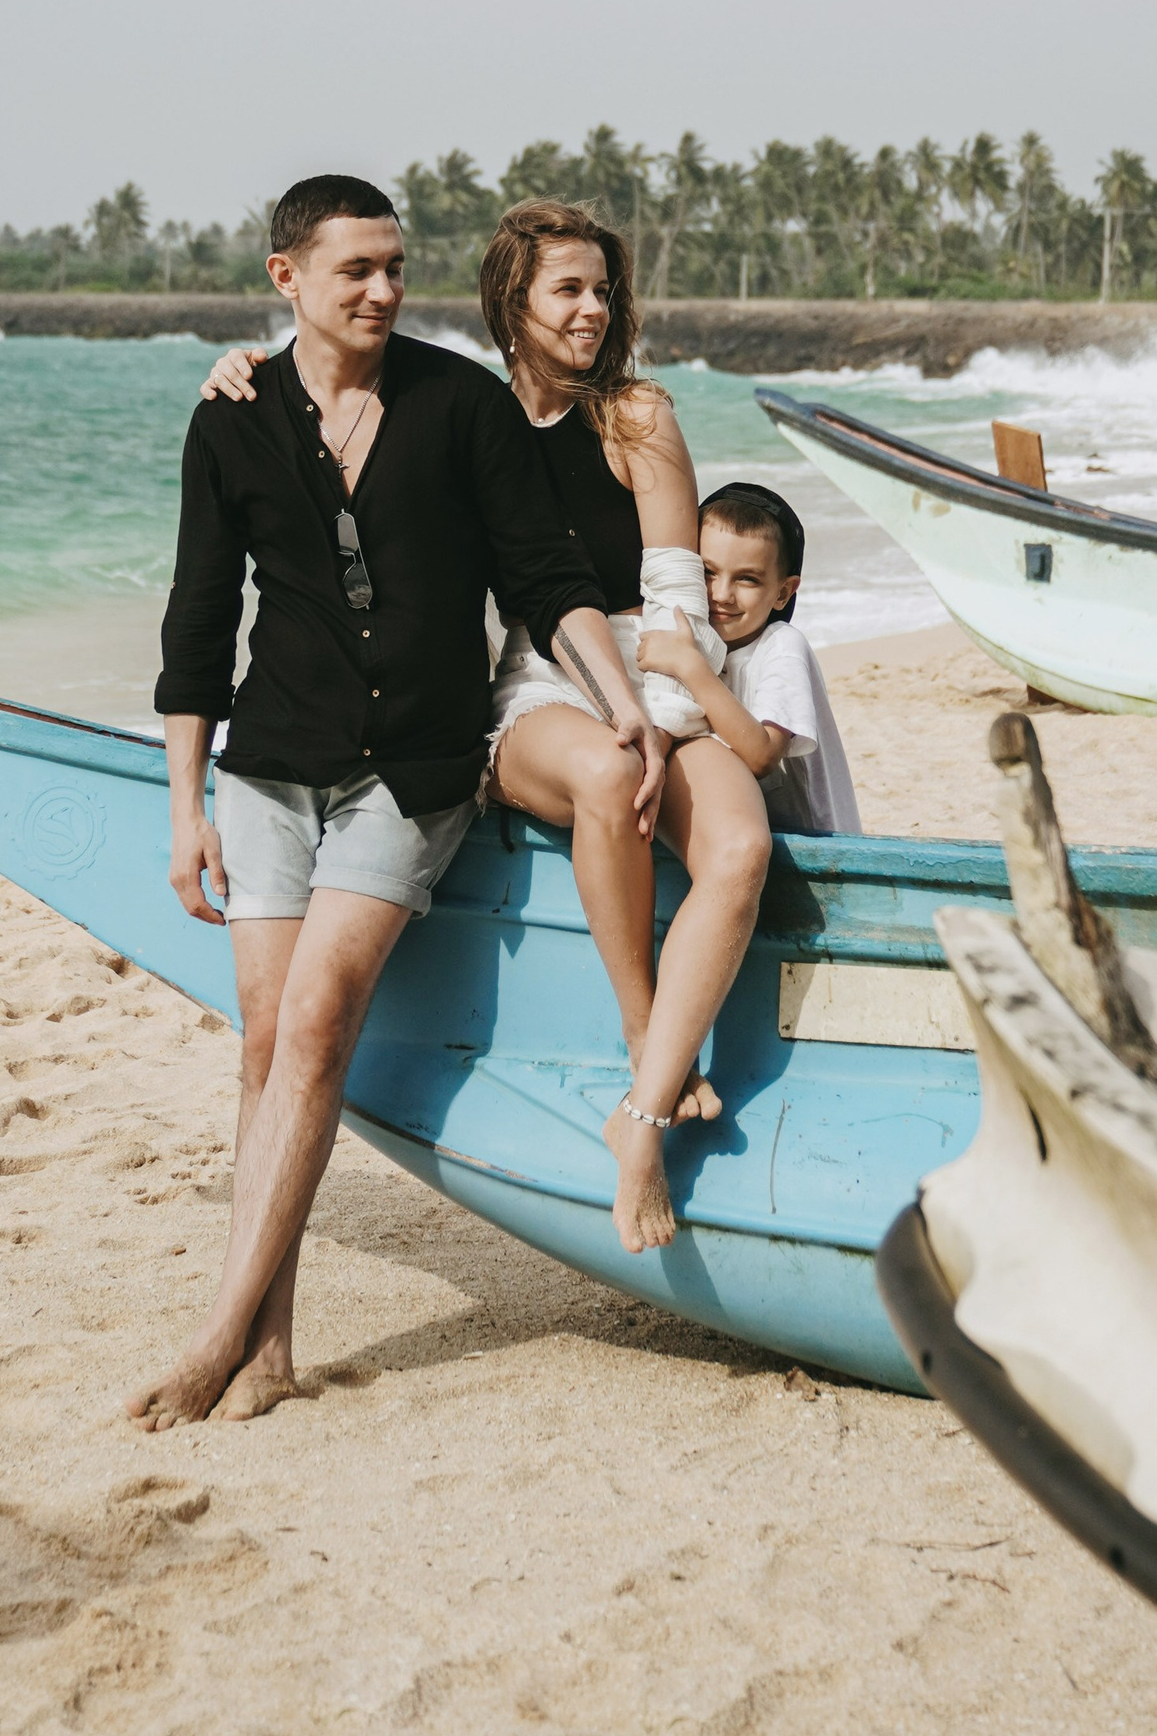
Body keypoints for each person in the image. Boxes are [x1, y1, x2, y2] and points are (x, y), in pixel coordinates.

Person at [127, 174, 658, 1429]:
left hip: (411, 774)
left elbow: (543, 572)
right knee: (263, 1045)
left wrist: (618, 693)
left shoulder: (458, 403)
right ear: (285, 278)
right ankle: (270, 1348)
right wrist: (182, 803)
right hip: (266, 764)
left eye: (393, 266)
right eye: (353, 268)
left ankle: (215, 1333)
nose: (379, 288)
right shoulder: (234, 418)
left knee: (312, 1028)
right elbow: (199, 620)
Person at [195, 199, 773, 1258]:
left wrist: (666, 715)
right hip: (535, 688)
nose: (594, 308)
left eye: (605, 288)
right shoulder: (463, 411)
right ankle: (646, 1031)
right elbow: (348, 456)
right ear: (512, 301)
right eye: (569, 288)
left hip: (660, 677)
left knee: (740, 846)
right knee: (605, 773)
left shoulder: (635, 416)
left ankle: (637, 1116)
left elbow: (675, 586)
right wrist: (249, 371)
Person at [639, 482, 862, 837]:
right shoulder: (693, 638)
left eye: (747, 579)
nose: (721, 594)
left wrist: (690, 667)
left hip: (813, 847)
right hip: (735, 834)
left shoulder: (782, 647)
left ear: (783, 592)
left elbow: (761, 756)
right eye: (707, 572)